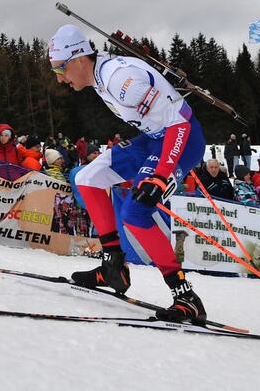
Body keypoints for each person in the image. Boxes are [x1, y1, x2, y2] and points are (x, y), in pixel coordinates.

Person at [49, 23, 206, 324]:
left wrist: (161, 174)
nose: (60, 79)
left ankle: (185, 295)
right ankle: (113, 266)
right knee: (86, 178)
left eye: (60, 69)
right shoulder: (100, 75)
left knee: (136, 212)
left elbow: (179, 121)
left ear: (79, 59)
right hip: (154, 139)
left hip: (181, 141)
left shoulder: (121, 80)